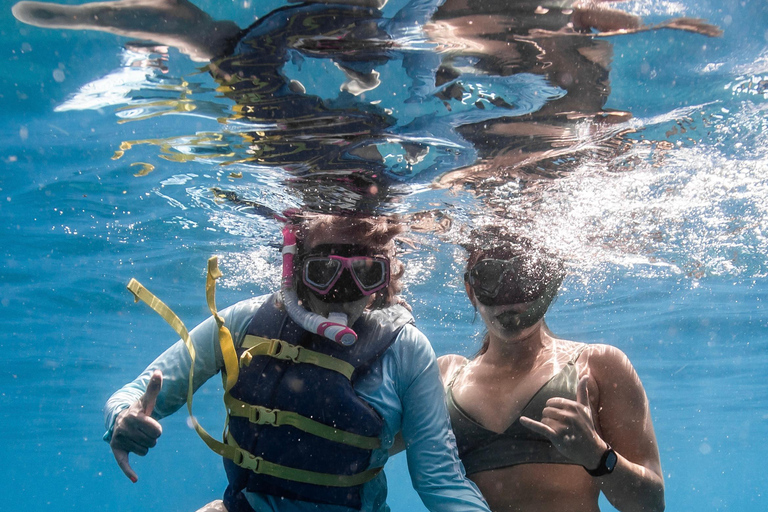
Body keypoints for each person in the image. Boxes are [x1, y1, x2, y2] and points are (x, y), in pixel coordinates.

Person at [104, 213, 491, 512]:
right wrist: (121, 418)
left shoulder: (406, 350)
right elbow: (135, 392)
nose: (342, 294)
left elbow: (443, 483)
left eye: (364, 273)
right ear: (295, 269)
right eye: (324, 272)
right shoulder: (245, 322)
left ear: (384, 276)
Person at [438, 228, 664, 512]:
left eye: (525, 279)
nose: (509, 299)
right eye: (490, 278)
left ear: (550, 283)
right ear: (470, 290)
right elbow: (373, 446)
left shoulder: (598, 364)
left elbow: (651, 504)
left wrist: (596, 455)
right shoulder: (445, 374)